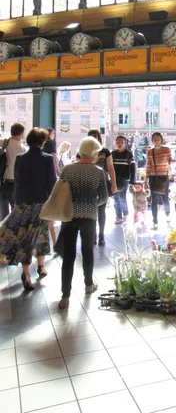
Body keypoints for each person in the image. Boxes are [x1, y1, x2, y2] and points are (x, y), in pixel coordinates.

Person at [0, 127, 57, 290]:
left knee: (26, 235)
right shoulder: (46, 159)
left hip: (22, 201)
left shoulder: (20, 158)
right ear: (42, 142)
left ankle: (30, 270)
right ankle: (37, 268)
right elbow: (51, 183)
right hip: (40, 203)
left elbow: (17, 179)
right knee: (40, 235)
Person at [58, 136, 108, 310]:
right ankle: (88, 285)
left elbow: (59, 191)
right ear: (94, 153)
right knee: (87, 251)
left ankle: (65, 296)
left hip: (69, 216)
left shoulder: (68, 169)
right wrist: (92, 204)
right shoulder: (98, 171)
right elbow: (103, 197)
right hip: (89, 216)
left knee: (69, 256)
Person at [87, 129, 117, 245]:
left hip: (102, 184)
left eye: (95, 136)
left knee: (101, 211)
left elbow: (110, 167)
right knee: (91, 211)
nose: (93, 138)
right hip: (88, 184)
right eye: (91, 136)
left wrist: (114, 184)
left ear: (99, 138)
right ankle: (93, 234)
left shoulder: (105, 151)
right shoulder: (84, 151)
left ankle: (101, 235)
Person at [145, 132, 174, 231]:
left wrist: (172, 161)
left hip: (163, 177)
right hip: (153, 177)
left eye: (158, 138)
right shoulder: (150, 152)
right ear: (152, 140)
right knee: (154, 201)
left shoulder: (166, 149)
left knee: (165, 199)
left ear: (161, 139)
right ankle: (155, 221)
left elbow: (169, 161)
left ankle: (168, 215)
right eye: (154, 139)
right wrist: (145, 180)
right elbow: (148, 166)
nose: (156, 140)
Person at [2, 122, 26, 217]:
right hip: (16, 180)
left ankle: (2, 228)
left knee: (3, 209)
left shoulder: (4, 142)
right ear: (21, 133)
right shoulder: (23, 148)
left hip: (4, 180)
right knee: (15, 208)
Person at [111, 136, 136, 224]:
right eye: (117, 142)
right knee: (115, 198)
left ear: (125, 143)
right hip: (114, 179)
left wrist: (132, 181)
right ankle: (118, 216)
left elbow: (133, 168)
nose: (119, 144)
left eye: (121, 142)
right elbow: (109, 167)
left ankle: (125, 215)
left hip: (125, 179)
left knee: (122, 197)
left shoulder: (128, 154)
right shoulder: (113, 153)